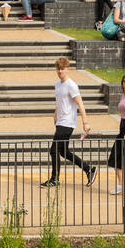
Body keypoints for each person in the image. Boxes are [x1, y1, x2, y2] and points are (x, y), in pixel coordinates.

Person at [43, 58, 97, 188]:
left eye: (62, 69)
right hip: (60, 121)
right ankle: (88, 169)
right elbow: (59, 101)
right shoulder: (57, 84)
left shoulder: (71, 85)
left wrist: (85, 122)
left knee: (53, 151)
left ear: (67, 69)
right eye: (58, 69)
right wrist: (55, 114)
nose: (60, 71)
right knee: (63, 152)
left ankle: (54, 179)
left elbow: (80, 103)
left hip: (67, 123)